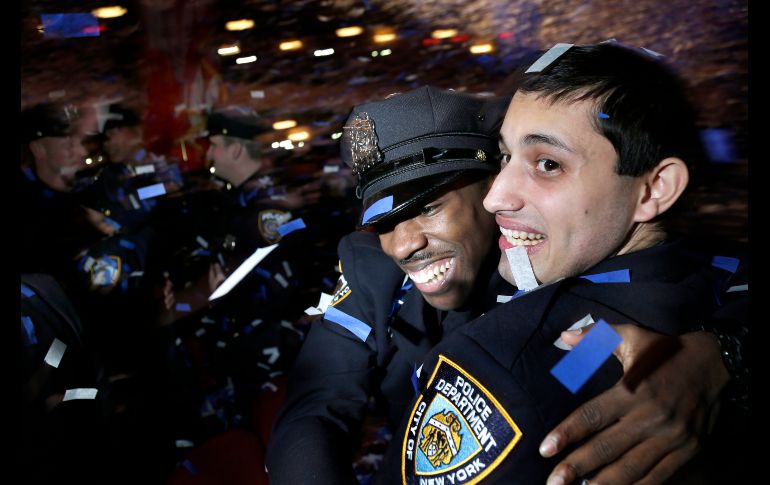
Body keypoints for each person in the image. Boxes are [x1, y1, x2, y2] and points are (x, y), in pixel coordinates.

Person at [266, 85, 736, 484]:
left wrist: (719, 356)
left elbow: (596, 348)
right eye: (386, 223)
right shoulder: (375, 270)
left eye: (429, 207)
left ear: (492, 186)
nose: (405, 244)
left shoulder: (567, 248)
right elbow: (313, 406)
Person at [382, 42, 745, 484]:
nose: (495, 197)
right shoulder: (716, 273)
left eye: (548, 164)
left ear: (653, 190)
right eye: (504, 157)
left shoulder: (500, 367)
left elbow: (556, 367)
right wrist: (725, 352)